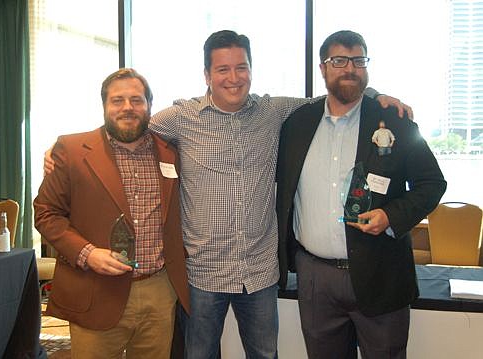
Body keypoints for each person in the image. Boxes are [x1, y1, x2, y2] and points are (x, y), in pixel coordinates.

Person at [44, 30, 411, 359]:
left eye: (241, 67)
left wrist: (376, 95)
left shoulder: (275, 111)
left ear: (251, 70)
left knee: (264, 354)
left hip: (260, 271)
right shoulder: (180, 118)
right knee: (200, 354)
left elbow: (332, 99)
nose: (233, 78)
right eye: (222, 69)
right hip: (202, 273)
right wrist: (65, 152)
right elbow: (127, 123)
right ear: (207, 75)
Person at [276, 30, 446, 358]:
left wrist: (391, 216)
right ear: (323, 69)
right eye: (338, 60)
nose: (349, 68)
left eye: (358, 60)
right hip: (315, 278)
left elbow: (432, 183)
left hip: (381, 272)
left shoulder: (395, 122)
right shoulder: (297, 124)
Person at [34, 68, 190, 359]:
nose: (127, 107)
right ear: (104, 106)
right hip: (96, 289)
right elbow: (45, 213)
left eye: (136, 99)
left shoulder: (172, 152)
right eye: (117, 100)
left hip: (159, 290)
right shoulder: (70, 150)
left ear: (149, 106)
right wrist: (87, 253)